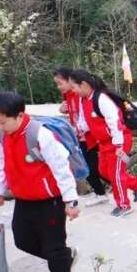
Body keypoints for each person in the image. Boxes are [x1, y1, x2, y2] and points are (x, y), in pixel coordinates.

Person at [0, 92, 79, 272]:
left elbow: (61, 168)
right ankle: (65, 258)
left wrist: (71, 201)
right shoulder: (1, 135)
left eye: (3, 122)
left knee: (53, 246)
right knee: (22, 240)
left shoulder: (40, 134)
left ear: (20, 115)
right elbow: (1, 163)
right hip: (23, 199)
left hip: (50, 201)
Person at [69, 70, 137, 217]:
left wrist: (118, 145)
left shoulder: (101, 99)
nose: (73, 90)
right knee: (103, 171)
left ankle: (124, 205)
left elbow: (114, 122)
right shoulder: (83, 99)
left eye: (74, 87)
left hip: (119, 140)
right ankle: (136, 183)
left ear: (84, 85)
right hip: (103, 142)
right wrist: (78, 130)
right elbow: (85, 122)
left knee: (117, 174)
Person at [54, 67, 109, 207]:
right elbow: (74, 114)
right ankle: (101, 193)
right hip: (80, 136)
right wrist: (63, 110)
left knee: (95, 168)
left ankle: (128, 183)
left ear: (71, 81)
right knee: (89, 168)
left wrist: (79, 129)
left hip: (90, 137)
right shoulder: (68, 95)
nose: (58, 87)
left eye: (60, 83)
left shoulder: (80, 95)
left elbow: (86, 116)